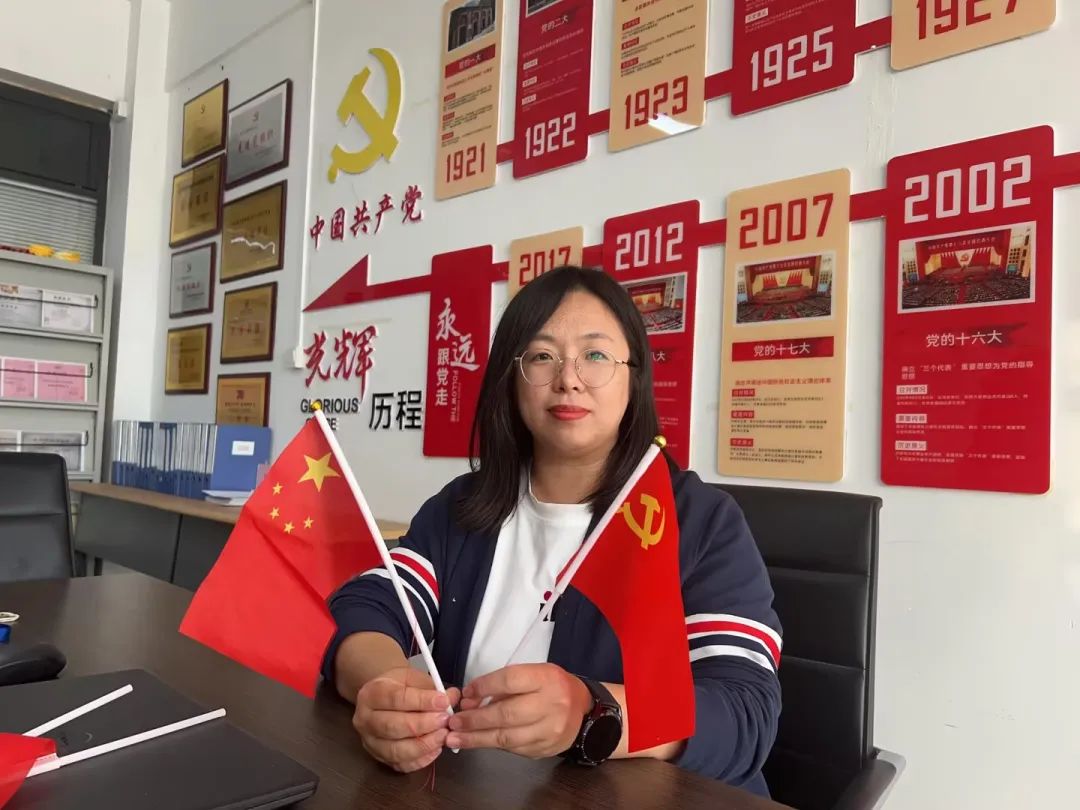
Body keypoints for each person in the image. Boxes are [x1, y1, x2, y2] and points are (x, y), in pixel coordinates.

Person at [322, 266, 782, 796]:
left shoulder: (698, 521)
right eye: (542, 356)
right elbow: (368, 605)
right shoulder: (464, 508)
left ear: (633, 377)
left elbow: (745, 711)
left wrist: (594, 713)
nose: (568, 378)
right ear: (511, 377)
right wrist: (383, 686)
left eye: (596, 355)